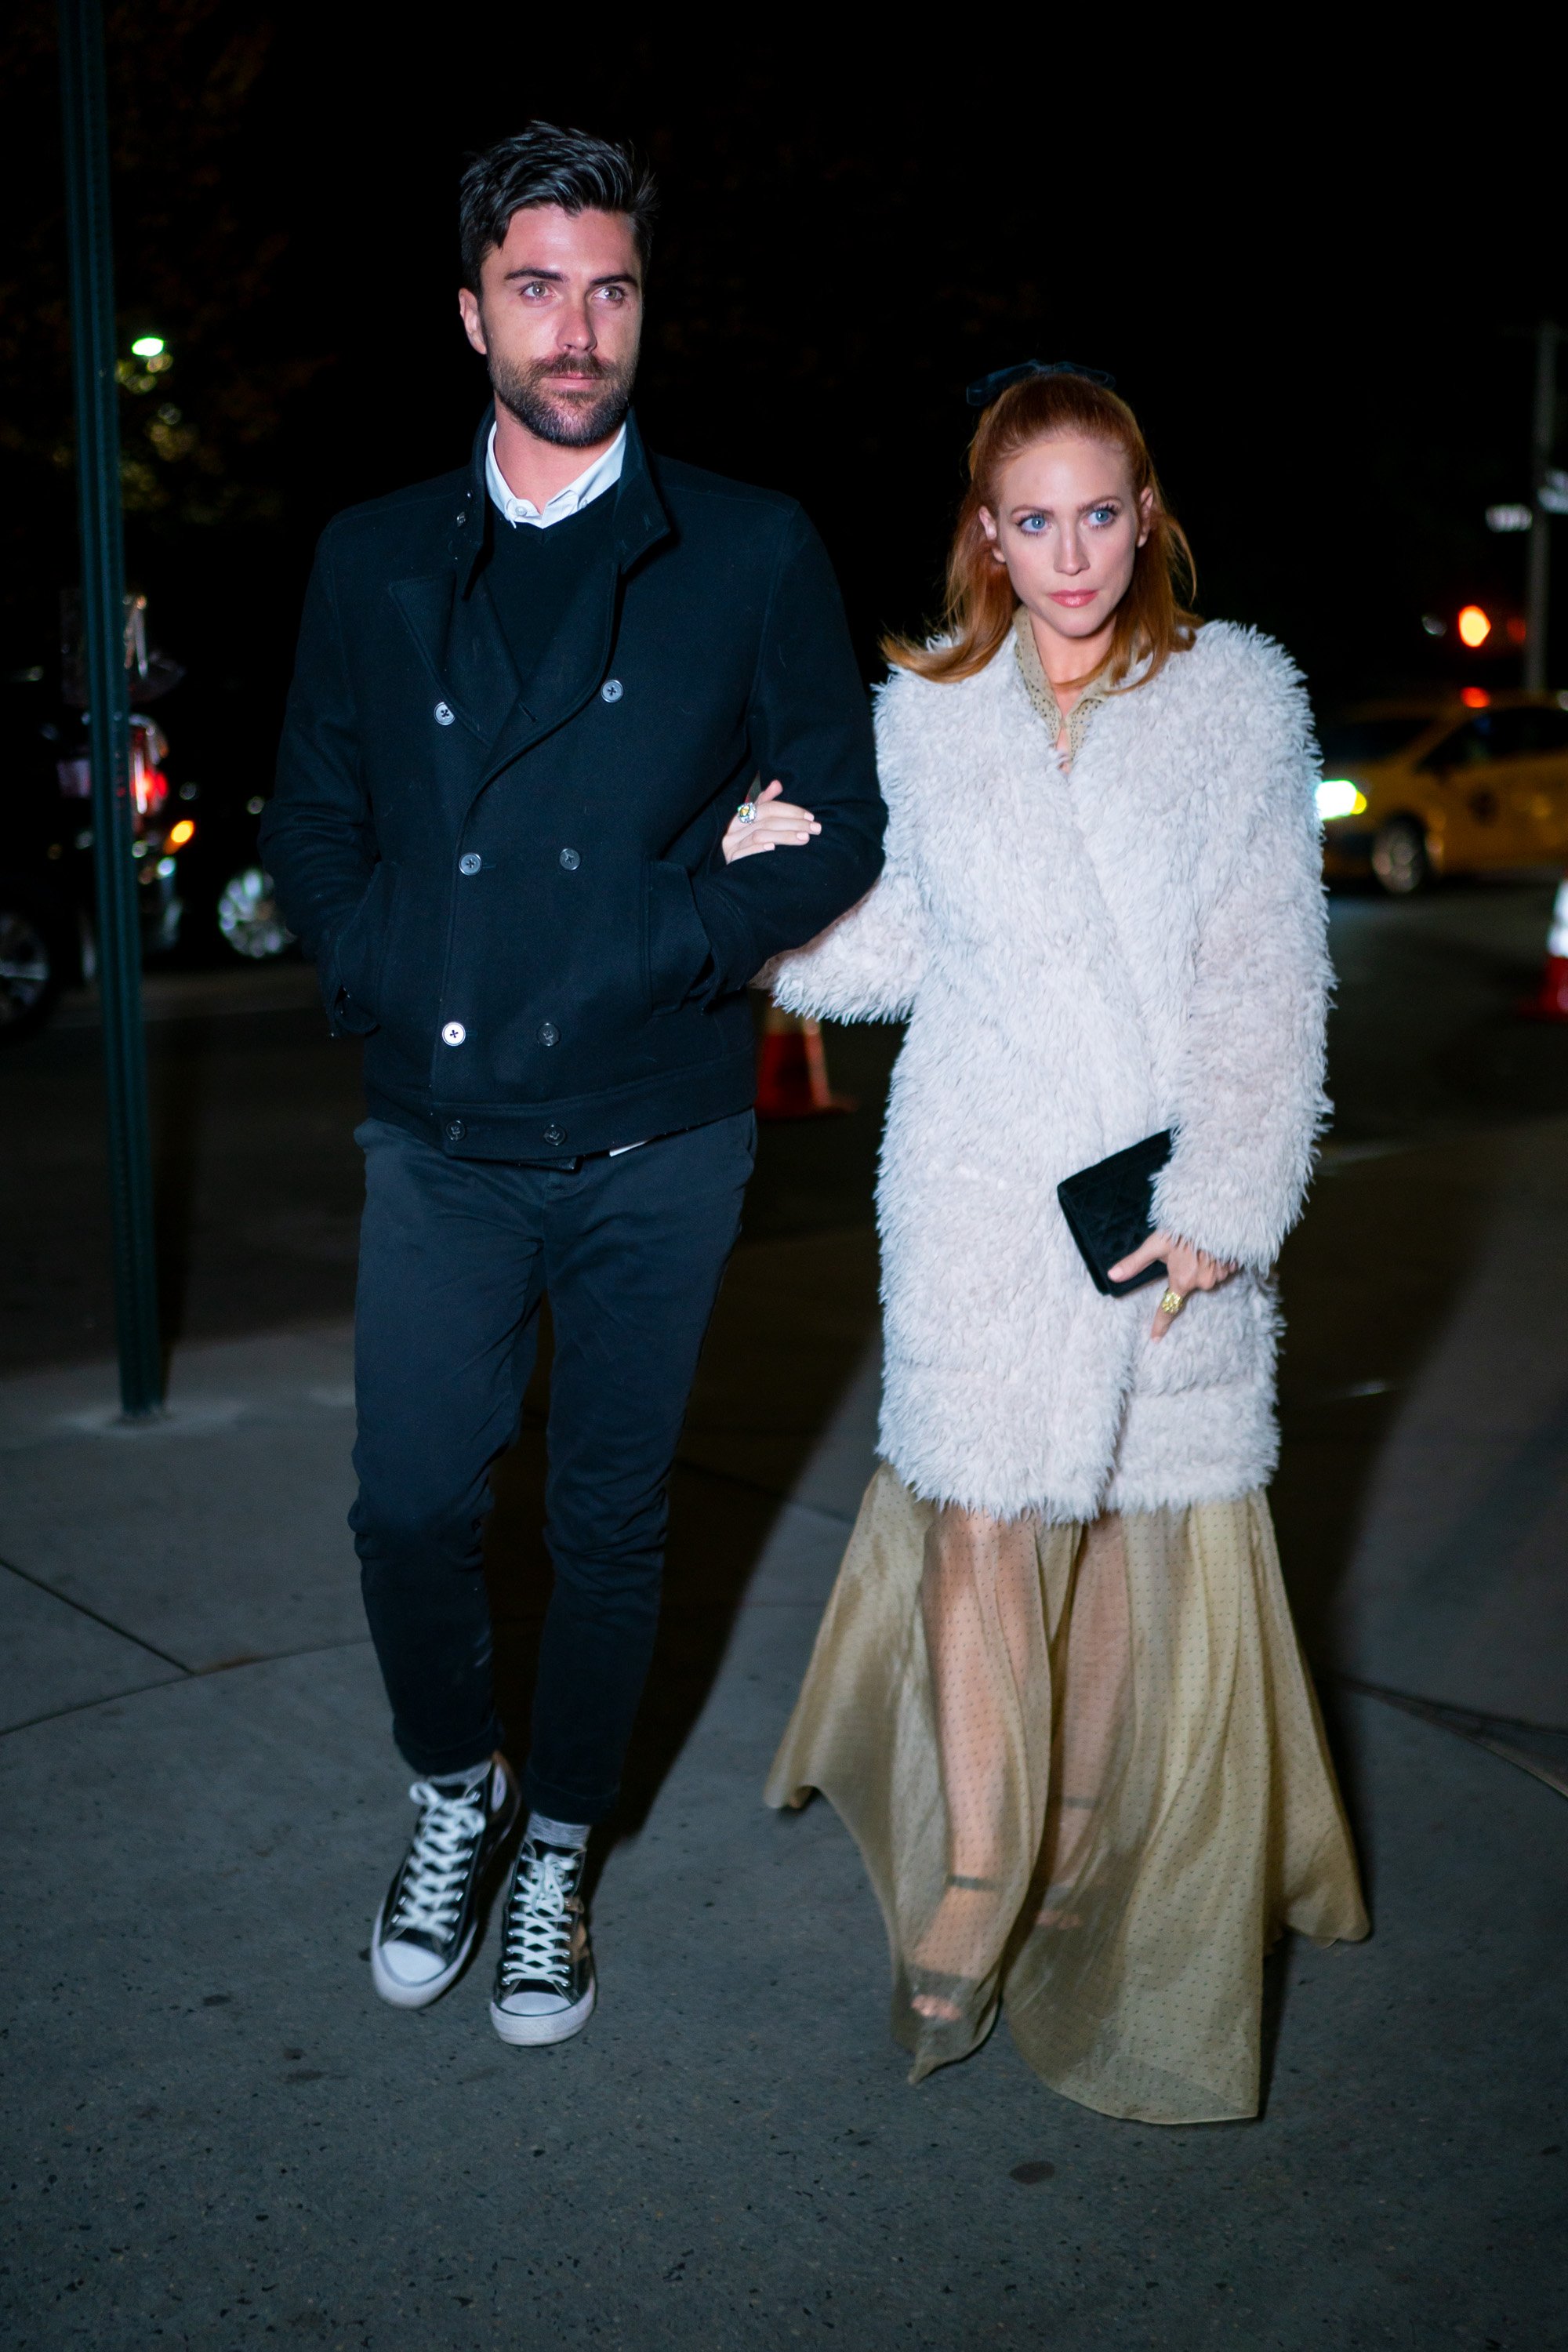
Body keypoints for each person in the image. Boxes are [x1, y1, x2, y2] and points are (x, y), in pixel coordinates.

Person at [261, 122, 883, 2048]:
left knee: (610, 1524)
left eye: (609, 287)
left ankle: (561, 1853)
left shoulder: (747, 541)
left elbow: (835, 813)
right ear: (472, 312)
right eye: (537, 286)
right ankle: (457, 1789)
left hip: (659, 1132)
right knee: (407, 1507)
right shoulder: (371, 557)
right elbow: (315, 820)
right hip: (444, 1137)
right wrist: (390, 966)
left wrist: (669, 933)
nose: (577, 325)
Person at [757, 362, 1367, 2125]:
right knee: (976, 1520)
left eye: (1101, 511)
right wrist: (767, 891)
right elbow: (887, 951)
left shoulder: (1234, 697)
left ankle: (1083, 1824)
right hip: (970, 1172)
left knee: (1112, 1533)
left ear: (1147, 513)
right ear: (987, 535)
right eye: (1035, 520)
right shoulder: (928, 711)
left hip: (1161, 1188)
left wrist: (1228, 1208)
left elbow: (1266, 965)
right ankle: (976, 1860)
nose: (1072, 551)